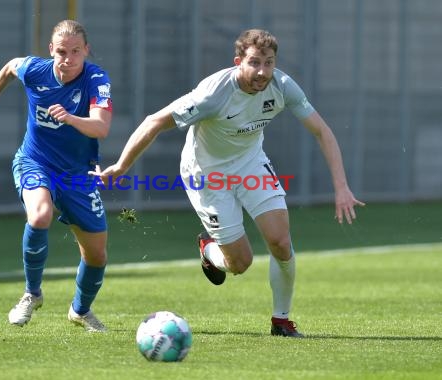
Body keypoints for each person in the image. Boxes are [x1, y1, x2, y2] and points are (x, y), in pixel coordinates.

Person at [93, 29, 365, 337]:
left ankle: (282, 320)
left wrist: (341, 187)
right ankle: (208, 250)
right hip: (206, 174)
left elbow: (322, 131)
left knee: (280, 241)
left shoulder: (282, 86)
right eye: (254, 62)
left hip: (250, 163)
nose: (262, 71)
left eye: (269, 62)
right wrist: (121, 165)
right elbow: (154, 121)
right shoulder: (213, 94)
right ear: (239, 62)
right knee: (240, 263)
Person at [0, 20, 112, 332]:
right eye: (62, 51)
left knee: (96, 254)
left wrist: (70, 117)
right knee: (40, 215)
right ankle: (31, 294)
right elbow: (12, 66)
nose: (68, 58)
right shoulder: (36, 70)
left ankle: (80, 311)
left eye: (76, 51)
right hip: (34, 161)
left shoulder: (96, 79)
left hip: (77, 174)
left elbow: (101, 127)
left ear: (86, 51)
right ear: (51, 50)